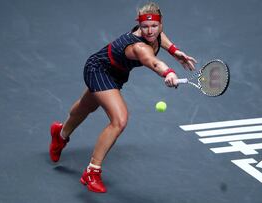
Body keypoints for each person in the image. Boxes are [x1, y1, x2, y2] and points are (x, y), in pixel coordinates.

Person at [49, 2, 197, 193]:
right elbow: (152, 61)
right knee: (119, 120)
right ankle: (92, 171)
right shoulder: (139, 47)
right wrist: (168, 72)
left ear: (161, 24)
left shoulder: (156, 32)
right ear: (139, 25)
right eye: (145, 27)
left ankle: (60, 134)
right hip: (99, 70)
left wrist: (175, 51)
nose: (150, 31)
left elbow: (161, 37)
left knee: (87, 107)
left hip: (116, 73)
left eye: (154, 26)